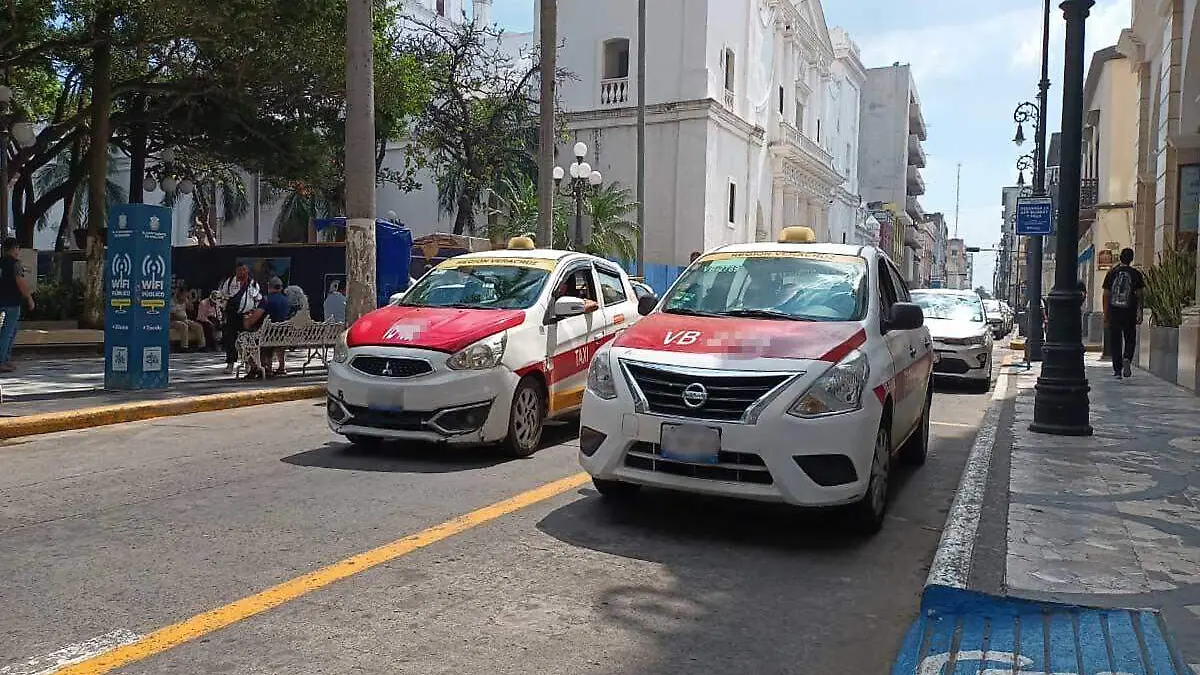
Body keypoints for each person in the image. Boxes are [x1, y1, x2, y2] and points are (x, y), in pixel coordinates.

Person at [1102, 247, 1146, 379]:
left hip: (1114, 312)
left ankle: (1117, 370)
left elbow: (1106, 294)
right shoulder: (1136, 274)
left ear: (1120, 257)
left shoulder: (1112, 273)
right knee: (1130, 338)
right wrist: (1139, 311)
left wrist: (1105, 314)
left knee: (1115, 341)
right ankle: (1127, 357)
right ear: (1131, 259)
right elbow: (1140, 294)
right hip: (1129, 311)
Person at [217, 264, 262, 374]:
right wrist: (222, 311)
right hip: (232, 315)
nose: (242, 272)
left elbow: (258, 299)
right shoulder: (228, 282)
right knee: (230, 339)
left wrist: (253, 313)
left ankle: (248, 364)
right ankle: (230, 364)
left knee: (247, 340)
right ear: (236, 271)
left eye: (244, 270)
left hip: (247, 316)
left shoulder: (253, 284)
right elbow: (221, 296)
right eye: (240, 270)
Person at [0, 238, 34, 372]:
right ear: (14, 248)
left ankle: (4, 359)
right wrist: (29, 298)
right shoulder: (15, 264)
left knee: (6, 332)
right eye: (18, 248)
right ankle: (3, 360)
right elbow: (20, 282)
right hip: (12, 302)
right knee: (8, 332)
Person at [169, 287, 204, 352]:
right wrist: (181, 319)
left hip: (184, 320)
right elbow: (172, 316)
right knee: (184, 326)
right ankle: (184, 347)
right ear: (179, 294)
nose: (185, 297)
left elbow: (191, 309)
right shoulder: (172, 301)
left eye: (186, 295)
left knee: (198, 326)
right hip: (173, 321)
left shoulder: (185, 300)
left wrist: (189, 301)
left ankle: (202, 346)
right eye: (184, 295)